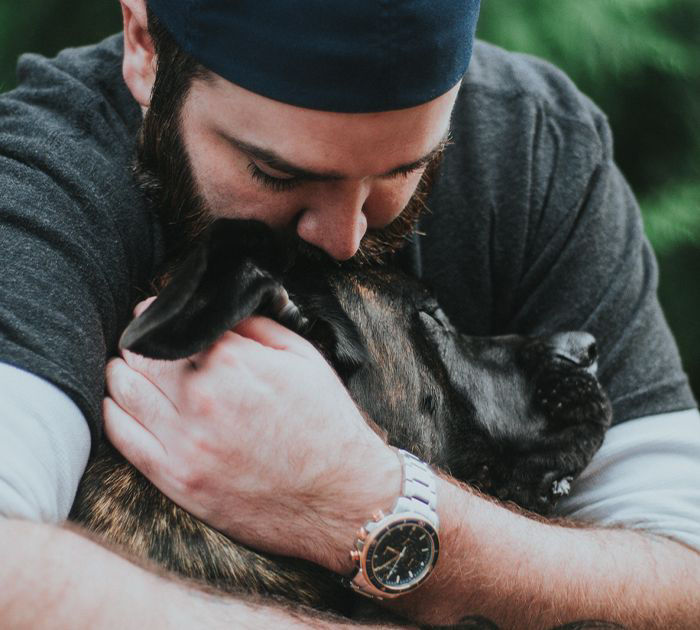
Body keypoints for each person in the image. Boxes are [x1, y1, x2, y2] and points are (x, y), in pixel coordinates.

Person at [1, 0, 698, 627]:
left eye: (405, 171)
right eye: (277, 173)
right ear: (144, 46)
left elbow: (683, 573)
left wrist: (371, 504)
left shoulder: (529, 143)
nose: (346, 237)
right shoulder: (44, 190)